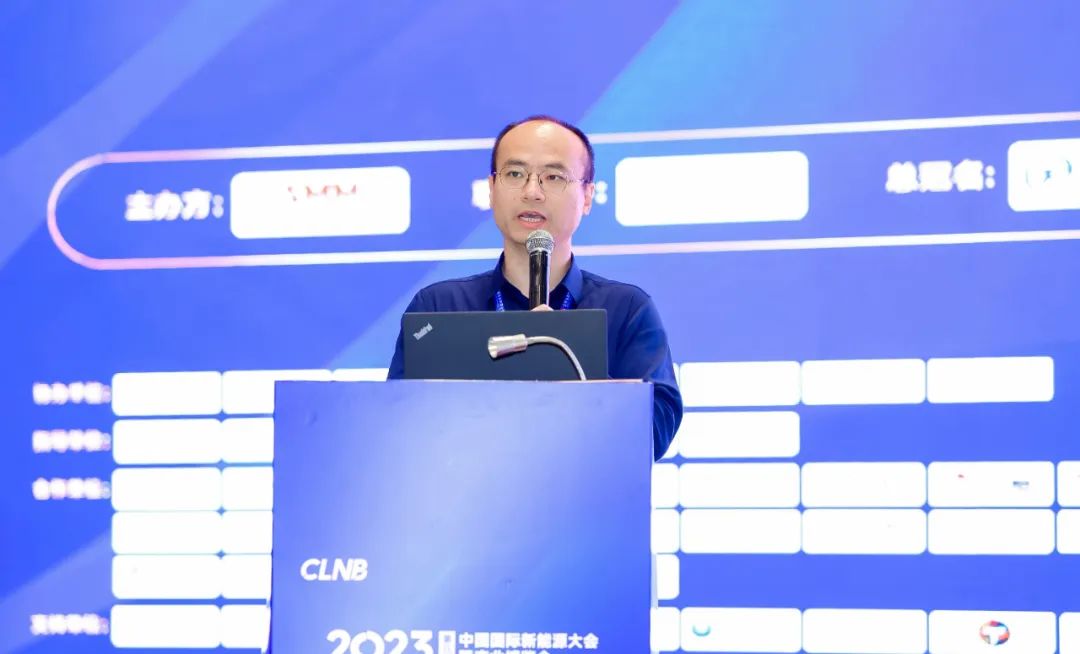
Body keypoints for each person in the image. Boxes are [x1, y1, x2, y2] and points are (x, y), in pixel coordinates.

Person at [387, 115, 682, 460]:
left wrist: (569, 370)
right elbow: (396, 426)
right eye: (515, 174)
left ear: (587, 196)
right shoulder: (438, 308)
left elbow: (655, 432)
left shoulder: (627, 309)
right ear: (492, 189)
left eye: (554, 177)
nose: (531, 192)